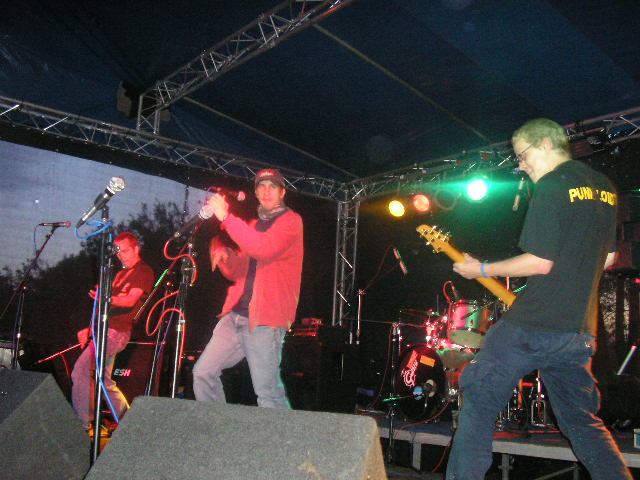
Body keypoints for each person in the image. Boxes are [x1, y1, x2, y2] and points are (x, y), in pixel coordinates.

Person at [446, 119, 632, 479]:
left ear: (546, 143)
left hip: (531, 326)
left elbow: (540, 262)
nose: (522, 165)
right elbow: (609, 258)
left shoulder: (551, 185)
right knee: (582, 423)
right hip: (577, 332)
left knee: (478, 406)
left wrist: (479, 268)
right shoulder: (605, 188)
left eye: (523, 155)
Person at [192, 168, 303, 408]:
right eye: (261, 186)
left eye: (272, 186)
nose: (266, 191)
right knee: (203, 373)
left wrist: (226, 217)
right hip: (237, 315)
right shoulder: (255, 224)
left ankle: (283, 434)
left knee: (267, 392)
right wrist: (226, 255)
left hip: (264, 320)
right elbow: (240, 269)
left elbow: (263, 249)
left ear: (282, 192)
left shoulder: (290, 221)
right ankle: (217, 425)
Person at [71, 232, 154, 433]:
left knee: (81, 371)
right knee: (105, 381)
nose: (120, 256)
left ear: (136, 248)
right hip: (105, 330)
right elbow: (105, 308)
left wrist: (106, 297)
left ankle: (85, 425)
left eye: (124, 251)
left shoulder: (143, 271)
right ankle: (129, 422)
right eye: (118, 252)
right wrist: (89, 329)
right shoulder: (119, 275)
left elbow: (130, 300)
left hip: (117, 333)